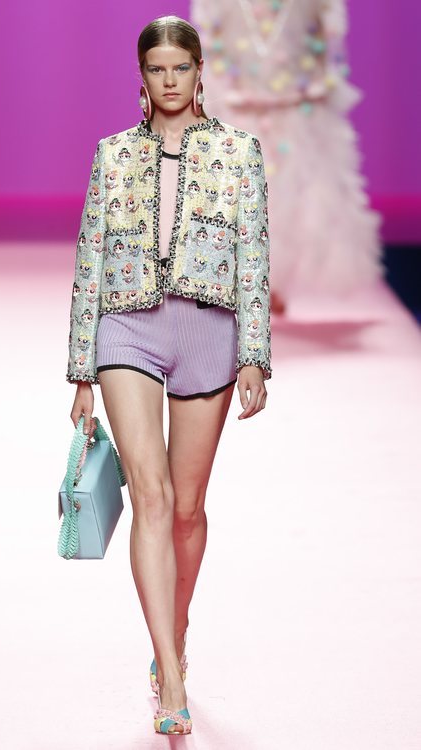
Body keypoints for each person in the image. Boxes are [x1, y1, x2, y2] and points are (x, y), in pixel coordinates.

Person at [66, 15, 271, 735]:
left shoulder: (239, 152)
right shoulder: (113, 153)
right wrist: (82, 371)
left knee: (186, 509)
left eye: (181, 67)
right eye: (158, 69)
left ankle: (174, 634)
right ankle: (172, 679)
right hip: (126, 326)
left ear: (200, 71)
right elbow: (90, 256)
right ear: (143, 76)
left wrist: (254, 353)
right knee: (150, 497)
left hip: (209, 332)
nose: (170, 80)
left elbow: (254, 255)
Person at [191, 0, 385, 314]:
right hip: (241, 103)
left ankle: (272, 282)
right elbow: (210, 42)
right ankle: (247, 282)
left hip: (297, 104)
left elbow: (329, 38)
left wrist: (321, 79)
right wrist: (219, 90)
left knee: (293, 198)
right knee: (239, 197)